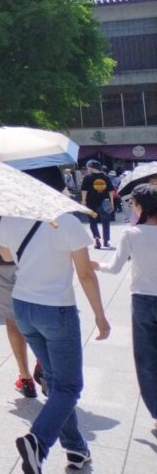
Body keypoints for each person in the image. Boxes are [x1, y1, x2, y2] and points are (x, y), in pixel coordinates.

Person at [0, 166, 111, 474]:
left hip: (23, 306)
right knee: (69, 386)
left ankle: (76, 449)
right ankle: (38, 441)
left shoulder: (12, 216)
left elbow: (5, 255)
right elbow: (85, 273)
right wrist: (100, 316)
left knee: (57, 382)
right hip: (56, 310)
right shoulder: (68, 221)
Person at [95, 183, 157, 431]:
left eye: (133, 203)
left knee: (146, 360)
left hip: (143, 300)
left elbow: (114, 268)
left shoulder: (131, 234)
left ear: (141, 206)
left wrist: (96, 265)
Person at [0, 214, 38, 398]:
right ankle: (43, 363)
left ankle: (25, 377)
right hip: (29, 259)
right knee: (36, 313)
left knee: (12, 319)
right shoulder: (30, 202)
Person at [80, 159, 116, 249]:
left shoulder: (87, 177)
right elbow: (111, 191)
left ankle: (97, 239)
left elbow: (84, 191)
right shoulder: (106, 177)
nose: (87, 169)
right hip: (104, 202)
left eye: (88, 167)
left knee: (92, 221)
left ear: (91, 168)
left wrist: (83, 202)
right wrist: (112, 202)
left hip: (91, 203)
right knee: (106, 221)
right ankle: (106, 241)